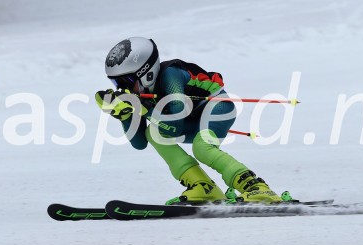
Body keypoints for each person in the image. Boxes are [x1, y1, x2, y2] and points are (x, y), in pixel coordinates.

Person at [96, 36, 282, 204]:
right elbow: (139, 143)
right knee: (151, 132)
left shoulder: (171, 76)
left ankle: (255, 186)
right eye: (116, 84)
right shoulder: (142, 92)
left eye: (125, 82)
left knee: (202, 148)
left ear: (147, 73)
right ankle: (203, 187)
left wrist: (142, 109)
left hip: (218, 108)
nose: (122, 89)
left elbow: (175, 126)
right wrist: (124, 115)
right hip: (192, 119)